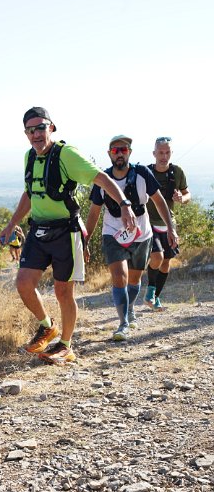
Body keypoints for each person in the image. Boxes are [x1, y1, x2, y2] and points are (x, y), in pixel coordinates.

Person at [0, 107, 137, 363]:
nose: (36, 134)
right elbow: (30, 193)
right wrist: (11, 224)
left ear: (51, 128)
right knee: (23, 283)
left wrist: (125, 204)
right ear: (26, 134)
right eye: (30, 130)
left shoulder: (67, 154)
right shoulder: (30, 156)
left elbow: (102, 178)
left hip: (66, 232)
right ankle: (47, 326)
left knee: (63, 291)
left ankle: (65, 345)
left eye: (41, 128)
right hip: (38, 230)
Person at [85, 135, 178, 341]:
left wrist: (171, 229)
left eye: (124, 150)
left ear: (130, 153)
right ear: (109, 154)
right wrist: (86, 241)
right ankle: (123, 323)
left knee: (134, 279)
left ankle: (130, 309)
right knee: (120, 276)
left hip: (141, 234)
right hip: (112, 233)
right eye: (115, 150)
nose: (119, 154)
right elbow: (94, 213)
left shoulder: (142, 173)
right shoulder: (102, 180)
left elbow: (159, 201)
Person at [144, 136, 190, 310]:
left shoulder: (177, 172)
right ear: (154, 153)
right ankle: (150, 292)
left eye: (167, 152)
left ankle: (155, 297)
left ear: (171, 153)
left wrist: (182, 198)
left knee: (166, 262)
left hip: (169, 224)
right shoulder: (146, 172)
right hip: (149, 222)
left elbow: (187, 194)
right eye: (161, 152)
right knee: (158, 256)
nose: (164, 156)